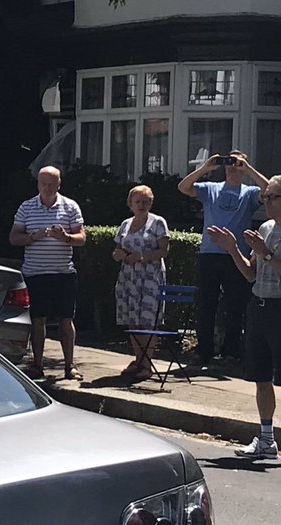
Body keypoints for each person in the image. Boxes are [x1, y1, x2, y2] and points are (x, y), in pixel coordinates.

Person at [207, 175, 281, 466]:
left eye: (272, 197)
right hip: (259, 306)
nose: (266, 202)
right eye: (265, 197)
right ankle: (266, 439)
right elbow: (250, 274)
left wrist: (266, 252)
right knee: (260, 377)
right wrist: (231, 247)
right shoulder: (265, 228)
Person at [178, 150, 269, 367]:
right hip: (210, 254)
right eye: (229, 163)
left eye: (237, 163)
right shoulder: (211, 189)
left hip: (236, 255)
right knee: (206, 304)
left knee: (235, 305)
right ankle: (203, 350)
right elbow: (183, 188)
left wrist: (248, 168)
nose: (232, 167)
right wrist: (205, 168)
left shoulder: (249, 193)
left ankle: (231, 352)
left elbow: (268, 190)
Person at [9, 166, 86, 381]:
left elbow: (82, 237)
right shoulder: (27, 207)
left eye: (52, 184)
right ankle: (37, 364)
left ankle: (70, 365)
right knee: (37, 320)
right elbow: (14, 238)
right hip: (35, 273)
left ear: (59, 184)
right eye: (44, 183)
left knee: (65, 320)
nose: (48, 188)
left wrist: (66, 238)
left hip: (63, 272)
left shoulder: (70, 207)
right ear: (38, 184)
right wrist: (33, 237)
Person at [112, 184, 170, 384]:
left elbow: (164, 251)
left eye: (146, 202)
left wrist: (142, 256)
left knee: (147, 318)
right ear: (131, 204)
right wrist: (118, 255)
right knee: (132, 318)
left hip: (150, 277)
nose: (142, 205)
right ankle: (138, 359)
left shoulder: (158, 223)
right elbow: (118, 248)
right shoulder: (125, 224)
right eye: (138, 202)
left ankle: (146, 364)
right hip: (128, 277)